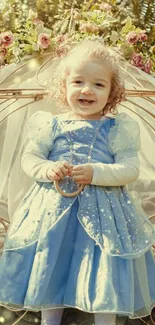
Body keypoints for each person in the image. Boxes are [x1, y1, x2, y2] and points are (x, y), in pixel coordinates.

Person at [0, 39, 155, 325]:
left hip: (104, 215)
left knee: (104, 267)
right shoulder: (50, 123)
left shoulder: (116, 127)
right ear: (64, 86)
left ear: (112, 92)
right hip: (52, 214)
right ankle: (50, 319)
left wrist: (97, 172)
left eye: (99, 84)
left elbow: (130, 168)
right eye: (78, 81)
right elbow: (30, 158)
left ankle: (104, 320)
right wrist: (48, 168)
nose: (87, 90)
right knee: (50, 264)